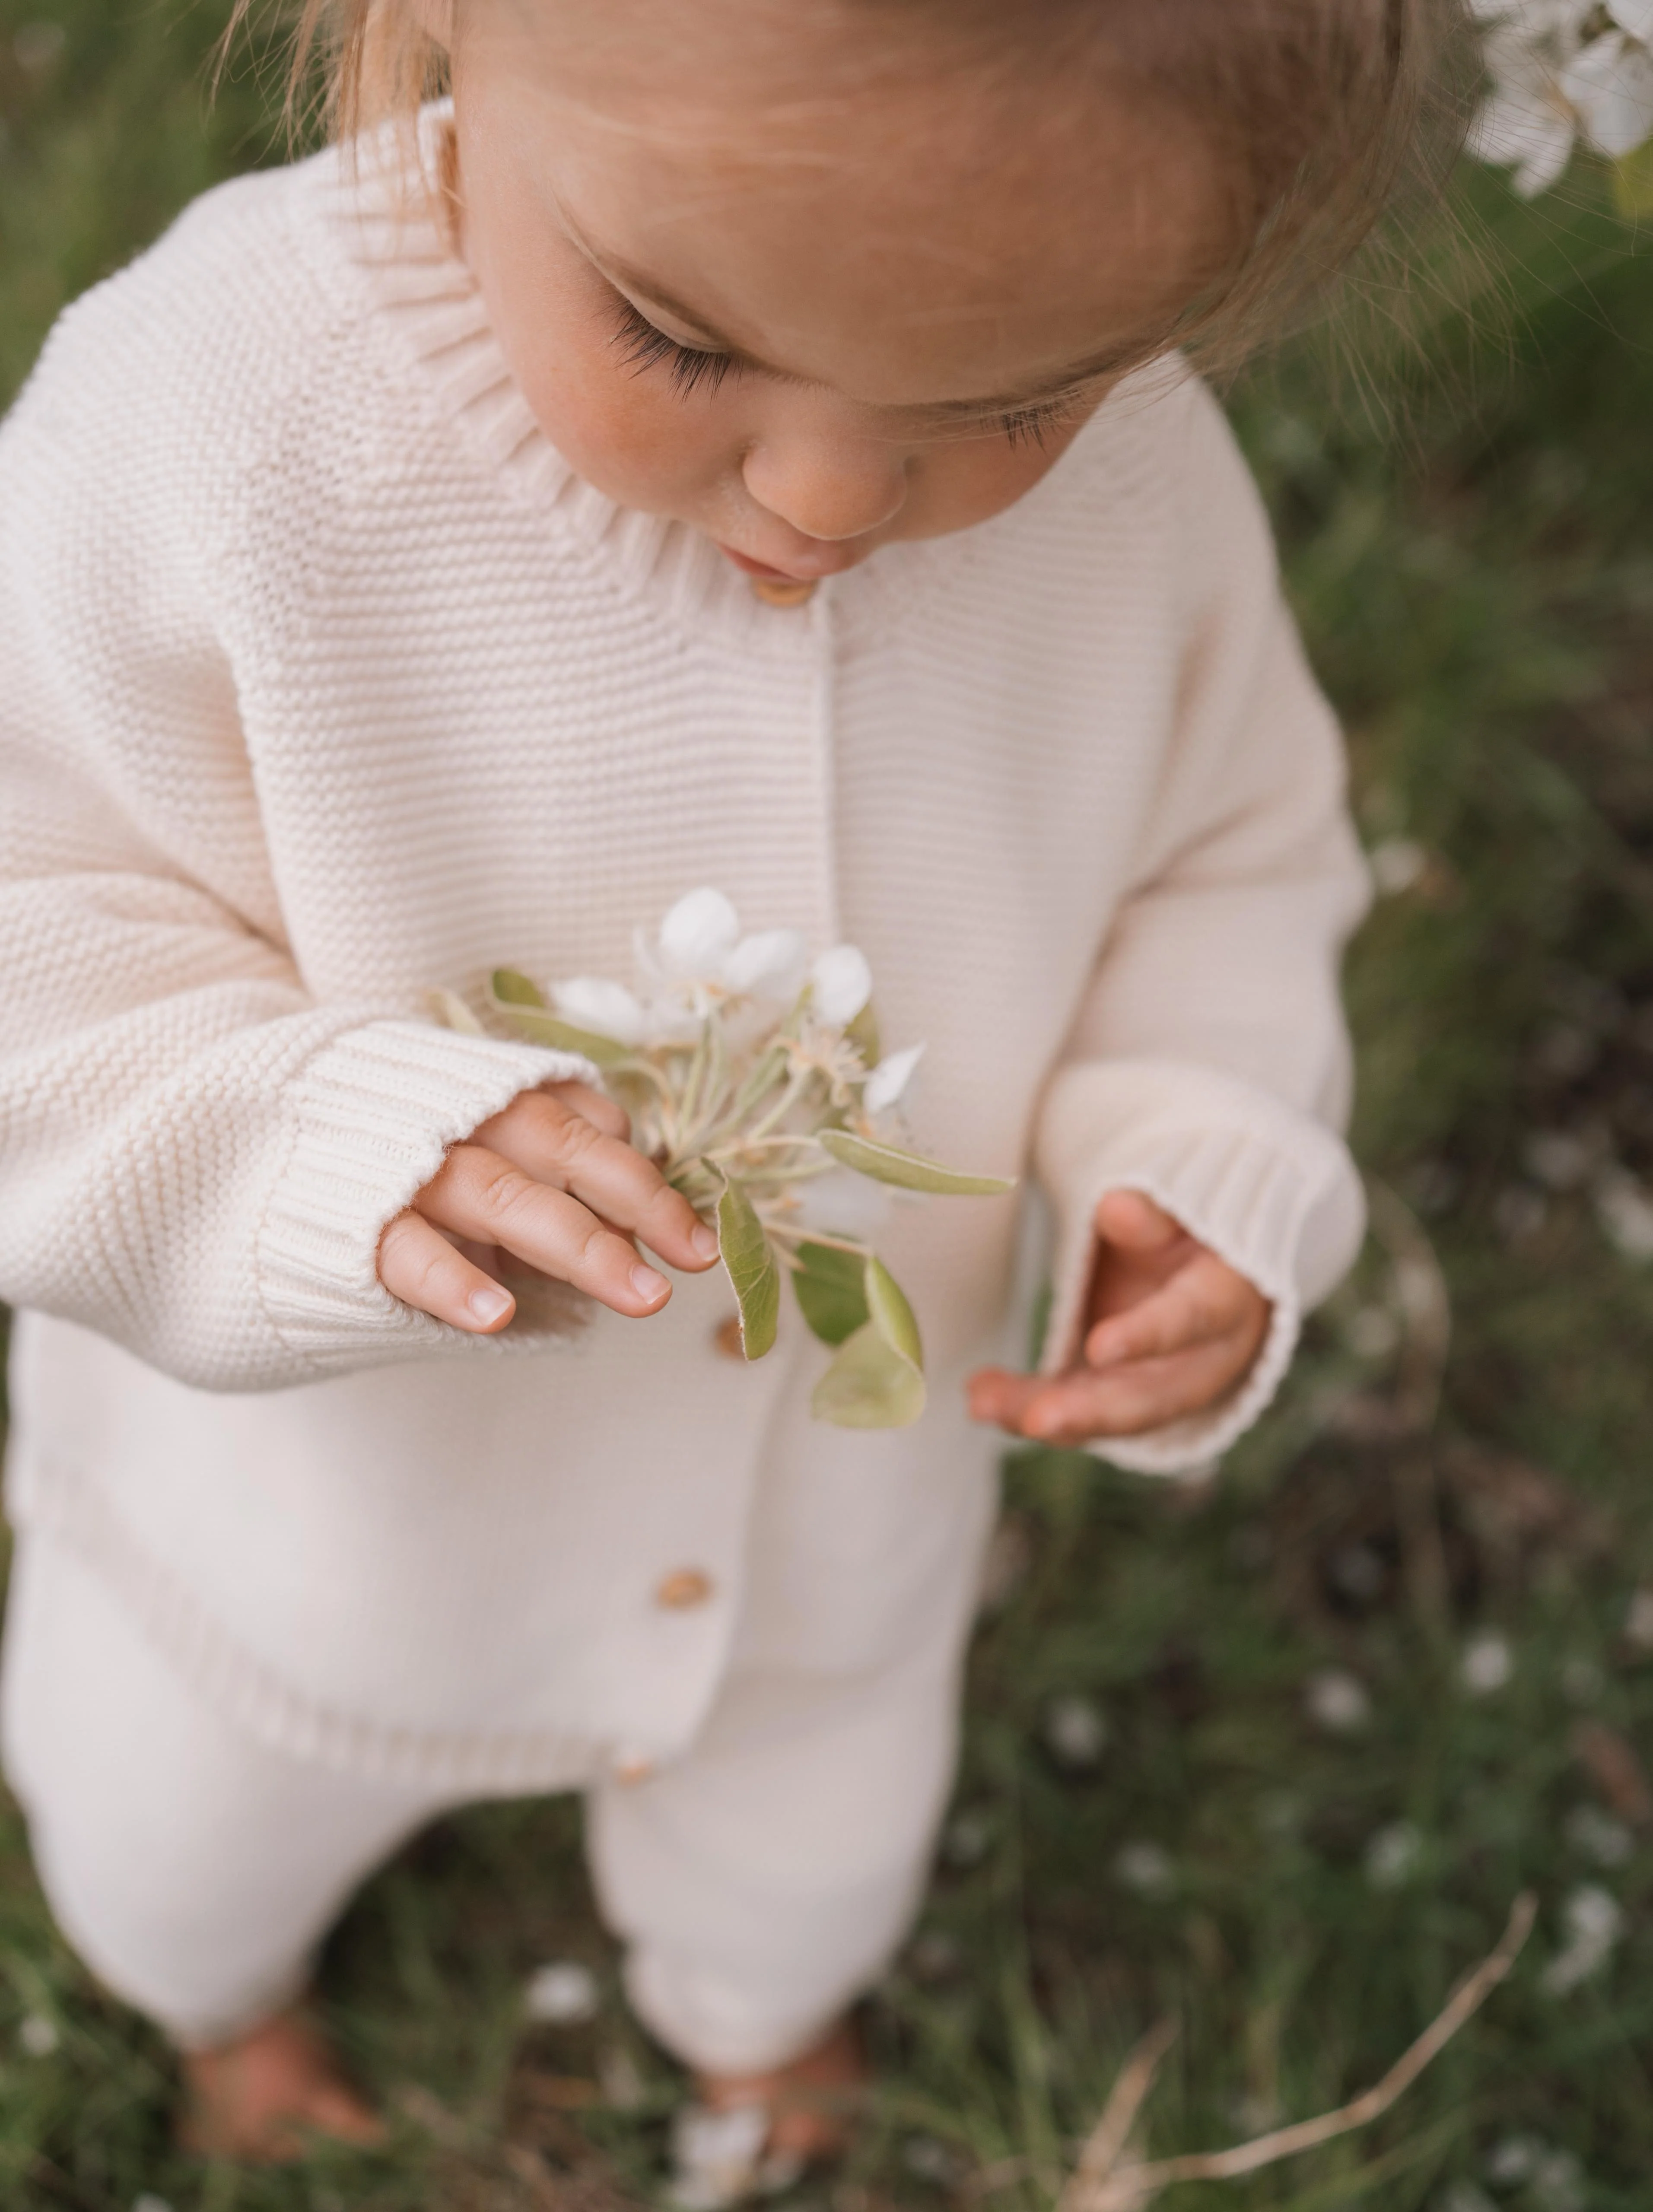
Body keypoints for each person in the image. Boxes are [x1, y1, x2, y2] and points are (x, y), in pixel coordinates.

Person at [0, 0, 1457, 2168]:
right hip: (318, 1521)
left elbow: (1221, 856)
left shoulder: (1137, 488)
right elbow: (37, 944)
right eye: (680, 340)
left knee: (809, 1831)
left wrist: (1196, 1139)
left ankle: (759, 2025)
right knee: (183, 1828)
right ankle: (227, 2017)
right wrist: (323, 1153)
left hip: (827, 1521)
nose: (828, 492)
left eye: (1005, 400)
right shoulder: (213, 435)